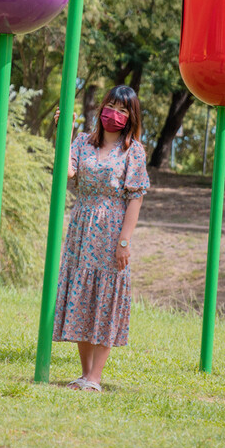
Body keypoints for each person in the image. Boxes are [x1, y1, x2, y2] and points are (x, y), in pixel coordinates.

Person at [52, 85, 150, 392]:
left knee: (106, 298)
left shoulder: (133, 151)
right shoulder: (82, 143)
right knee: (83, 296)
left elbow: (135, 197)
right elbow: (66, 173)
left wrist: (124, 241)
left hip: (111, 231)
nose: (115, 115)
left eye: (123, 111)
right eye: (111, 107)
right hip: (81, 228)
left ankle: (96, 377)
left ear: (131, 117)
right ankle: (84, 374)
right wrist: (63, 134)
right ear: (101, 108)